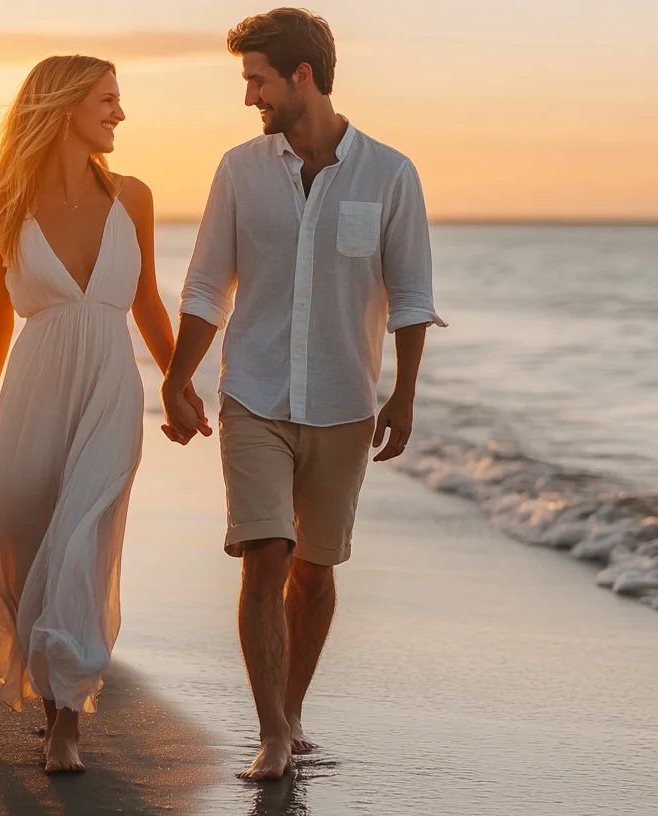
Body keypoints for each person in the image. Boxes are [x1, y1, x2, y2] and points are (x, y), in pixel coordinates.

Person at [160, 9, 444, 781]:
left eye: (257, 80)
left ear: (302, 78)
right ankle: (274, 735)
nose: (250, 96)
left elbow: (412, 295)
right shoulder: (239, 170)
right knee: (265, 553)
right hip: (252, 392)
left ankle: (289, 710)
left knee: (315, 569)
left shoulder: (391, 174)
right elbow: (206, 284)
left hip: (345, 403)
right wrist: (179, 375)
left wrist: (405, 396)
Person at [0, 54, 196, 775]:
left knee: (81, 544)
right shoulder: (4, 208)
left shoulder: (132, 197)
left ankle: (68, 726)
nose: (119, 113)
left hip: (109, 393)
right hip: (31, 395)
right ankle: (52, 710)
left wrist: (178, 383)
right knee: (20, 549)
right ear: (64, 107)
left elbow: (145, 303)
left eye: (118, 100)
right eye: (107, 100)